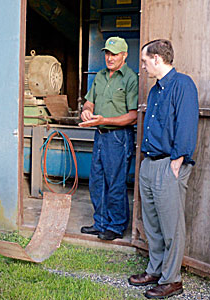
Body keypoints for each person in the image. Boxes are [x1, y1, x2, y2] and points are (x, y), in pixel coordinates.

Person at [128, 39, 199, 298]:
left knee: (171, 226)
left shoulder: (183, 85)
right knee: (152, 224)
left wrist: (177, 160)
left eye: (145, 61)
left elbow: (187, 124)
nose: (144, 66)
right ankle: (155, 270)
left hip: (170, 164)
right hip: (149, 164)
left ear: (158, 58)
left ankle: (172, 280)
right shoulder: (155, 90)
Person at [79, 37, 138, 241]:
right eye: (107, 53)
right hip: (100, 135)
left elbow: (133, 116)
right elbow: (89, 102)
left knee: (115, 182)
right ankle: (101, 223)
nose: (109, 58)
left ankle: (116, 225)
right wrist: (86, 112)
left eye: (114, 54)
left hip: (118, 138)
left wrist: (105, 119)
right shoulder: (100, 76)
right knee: (97, 181)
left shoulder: (130, 79)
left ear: (124, 55)